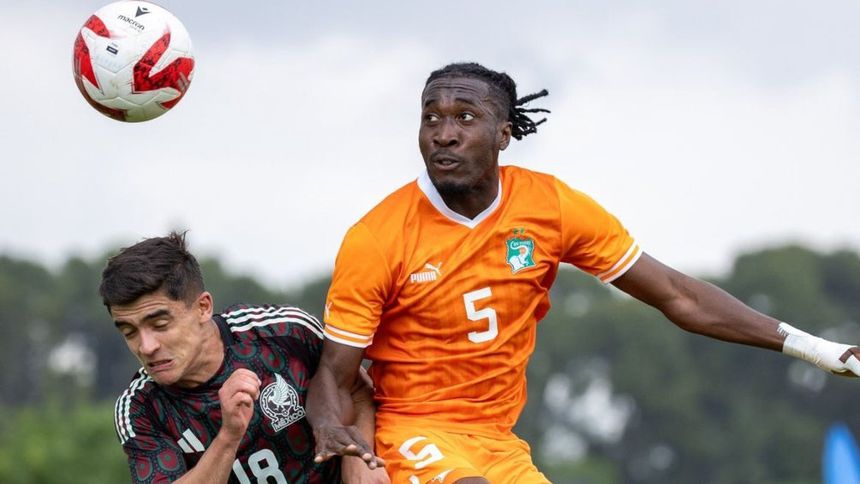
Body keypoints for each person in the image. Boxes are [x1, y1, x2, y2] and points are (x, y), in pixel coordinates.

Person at [305, 62, 860, 484]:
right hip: (413, 432)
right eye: (431, 118)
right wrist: (335, 433)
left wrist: (817, 349)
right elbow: (334, 374)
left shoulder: (551, 207)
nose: (443, 134)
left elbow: (678, 295)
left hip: (499, 443)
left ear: (503, 134)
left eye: (465, 118)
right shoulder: (377, 237)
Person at [100, 232, 389, 484]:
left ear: (203, 308)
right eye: (129, 331)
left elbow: (355, 387)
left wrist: (358, 456)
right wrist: (229, 436)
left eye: (160, 324)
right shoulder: (140, 407)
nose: (146, 346)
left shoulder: (285, 332)